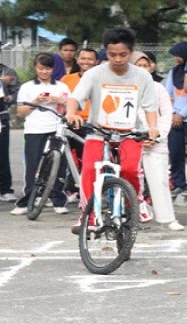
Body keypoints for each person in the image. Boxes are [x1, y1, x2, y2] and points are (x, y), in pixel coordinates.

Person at [66, 27, 159, 234]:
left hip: (129, 132)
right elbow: (75, 98)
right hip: (99, 131)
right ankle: (87, 214)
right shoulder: (94, 74)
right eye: (112, 54)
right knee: (89, 169)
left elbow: (150, 107)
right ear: (106, 53)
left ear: (131, 52)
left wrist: (152, 128)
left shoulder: (142, 76)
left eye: (123, 54)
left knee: (130, 169)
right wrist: (71, 113)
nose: (118, 59)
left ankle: (137, 202)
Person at [130, 51, 184, 231]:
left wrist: (157, 135)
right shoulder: (125, 87)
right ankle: (132, 217)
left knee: (160, 180)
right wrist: (135, 135)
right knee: (129, 180)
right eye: (139, 65)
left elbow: (167, 113)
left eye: (146, 65)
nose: (143, 69)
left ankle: (167, 218)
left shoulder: (158, 88)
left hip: (156, 141)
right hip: (130, 139)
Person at [13, 52, 71, 215]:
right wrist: (36, 101)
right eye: (41, 68)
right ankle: (28, 200)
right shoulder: (27, 87)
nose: (44, 72)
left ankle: (58, 200)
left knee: (59, 166)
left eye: (47, 69)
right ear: (35, 68)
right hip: (34, 130)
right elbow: (20, 112)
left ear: (53, 69)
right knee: (33, 166)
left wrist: (59, 101)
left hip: (56, 129)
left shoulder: (61, 87)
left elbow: (69, 109)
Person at [60, 47, 98, 202]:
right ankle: (61, 189)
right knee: (63, 156)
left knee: (88, 160)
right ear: (78, 59)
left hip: (92, 124)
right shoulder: (67, 80)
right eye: (83, 58)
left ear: (96, 62)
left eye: (90, 59)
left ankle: (85, 191)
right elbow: (63, 99)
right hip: (72, 121)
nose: (86, 62)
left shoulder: (100, 79)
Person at [165, 41, 187, 198]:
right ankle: (178, 183)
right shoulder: (173, 72)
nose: (176, 58)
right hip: (174, 118)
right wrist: (172, 113)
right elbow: (167, 94)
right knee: (175, 151)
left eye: (178, 55)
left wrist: (182, 114)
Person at [0, 50, 20, 202]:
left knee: (2, 154)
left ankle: (5, 189)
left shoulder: (8, 72)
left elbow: (18, 93)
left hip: (2, 116)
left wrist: (8, 97)